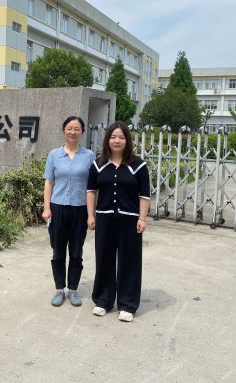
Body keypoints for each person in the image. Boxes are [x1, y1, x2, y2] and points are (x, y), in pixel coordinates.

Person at [86, 121, 150, 322]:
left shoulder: (138, 166)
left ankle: (127, 304)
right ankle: (103, 300)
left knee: (129, 261)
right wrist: (90, 215)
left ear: (127, 140)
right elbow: (91, 191)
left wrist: (142, 218)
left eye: (121, 137)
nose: (117, 140)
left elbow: (144, 195)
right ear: (108, 140)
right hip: (104, 218)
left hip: (130, 221)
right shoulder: (98, 164)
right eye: (113, 137)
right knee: (104, 258)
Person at [43, 116, 95, 307]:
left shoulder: (89, 156)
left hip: (80, 210)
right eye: (69, 128)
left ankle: (73, 289)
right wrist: (46, 208)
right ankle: (59, 289)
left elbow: (92, 188)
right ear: (64, 130)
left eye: (77, 129)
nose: (73, 132)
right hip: (58, 209)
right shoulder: (54, 155)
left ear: (82, 132)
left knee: (76, 252)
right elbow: (49, 183)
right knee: (58, 251)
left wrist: (91, 214)